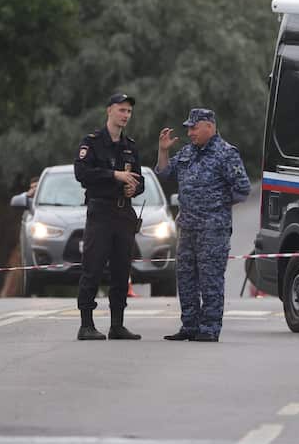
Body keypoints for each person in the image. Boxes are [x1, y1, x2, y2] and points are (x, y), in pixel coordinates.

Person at [156, 108, 250, 342]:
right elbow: (165, 172)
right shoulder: (188, 153)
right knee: (185, 277)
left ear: (209, 126)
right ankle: (189, 325)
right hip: (187, 228)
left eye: (194, 127)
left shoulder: (226, 154)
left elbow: (243, 189)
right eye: (188, 127)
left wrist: (216, 205)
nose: (189, 132)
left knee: (210, 279)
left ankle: (209, 328)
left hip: (213, 229)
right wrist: (163, 151)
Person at [73, 93, 144, 341]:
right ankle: (86, 324)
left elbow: (139, 178)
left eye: (129, 112)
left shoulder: (130, 146)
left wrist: (134, 187)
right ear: (109, 111)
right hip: (100, 211)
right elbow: (82, 173)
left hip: (123, 212)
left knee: (121, 269)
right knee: (92, 267)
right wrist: (115, 176)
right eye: (122, 110)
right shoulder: (92, 142)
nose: (125, 115)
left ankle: (117, 324)